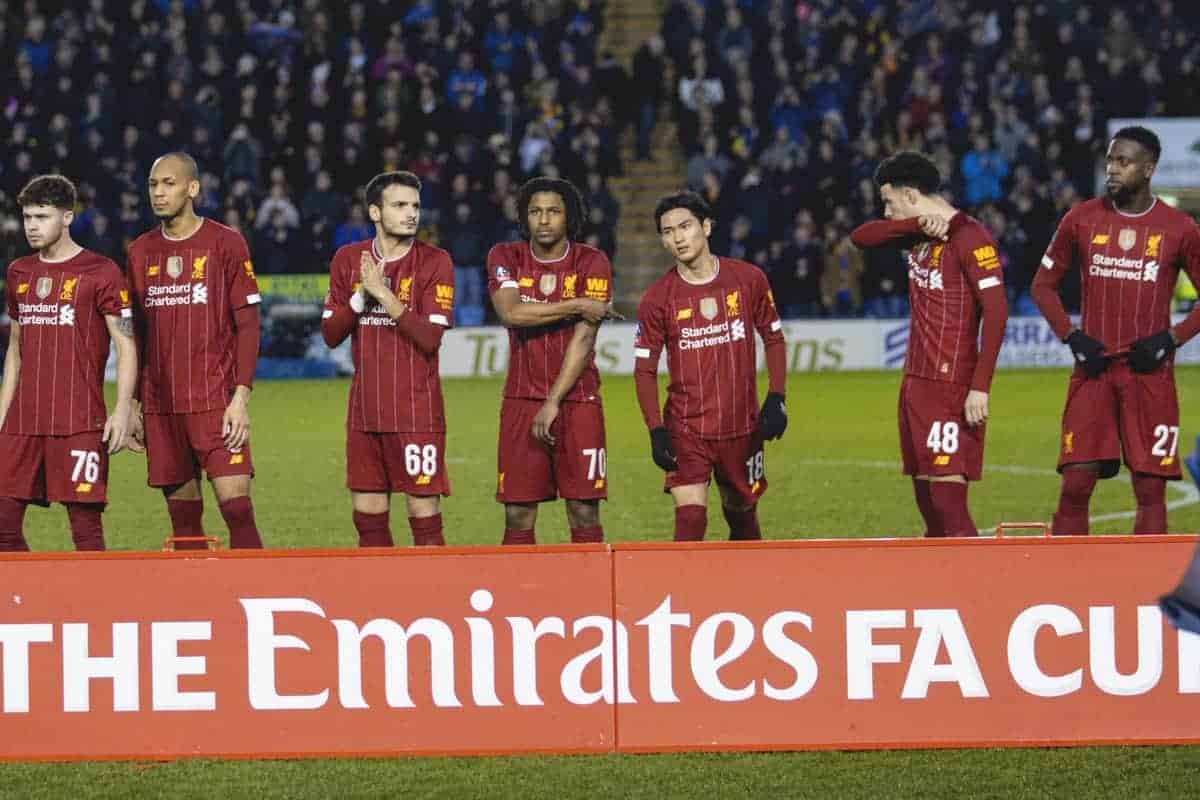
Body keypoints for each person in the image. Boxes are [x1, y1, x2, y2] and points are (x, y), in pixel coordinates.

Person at [1031, 126, 1200, 536]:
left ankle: (1144, 594)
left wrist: (1170, 338)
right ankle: (1067, 580)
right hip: (1094, 372)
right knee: (1075, 483)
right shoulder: (1081, 219)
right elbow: (1042, 286)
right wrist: (1072, 336)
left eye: (1123, 162)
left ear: (1148, 169)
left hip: (1150, 377)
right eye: (1110, 160)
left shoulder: (1179, 229)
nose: (1112, 169)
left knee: (1150, 489)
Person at [850, 151, 1009, 537]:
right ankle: (942, 588)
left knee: (947, 501)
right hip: (915, 383)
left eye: (889, 202)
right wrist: (917, 223)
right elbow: (861, 237)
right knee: (927, 499)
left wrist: (979, 388)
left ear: (909, 193)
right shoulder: (919, 234)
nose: (887, 212)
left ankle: (979, 591)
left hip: (949, 383)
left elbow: (998, 312)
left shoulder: (969, 236)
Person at [126, 152, 264, 550]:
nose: (158, 192)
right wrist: (134, 402)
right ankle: (202, 606)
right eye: (153, 185)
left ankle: (258, 595)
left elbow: (248, 325)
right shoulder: (139, 252)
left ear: (193, 189)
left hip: (215, 402)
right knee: (184, 524)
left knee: (237, 508)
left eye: (169, 183)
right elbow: (137, 335)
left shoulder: (226, 243)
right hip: (162, 407)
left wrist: (241, 397)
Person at [633, 191, 788, 542]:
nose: (677, 237)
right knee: (690, 519)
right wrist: (656, 429)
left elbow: (773, 338)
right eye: (668, 231)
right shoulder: (657, 298)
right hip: (687, 427)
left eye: (685, 226)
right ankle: (685, 596)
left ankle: (746, 591)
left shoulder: (748, 279)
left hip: (741, 425)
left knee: (742, 514)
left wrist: (777, 396)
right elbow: (644, 370)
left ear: (706, 226)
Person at [0, 174, 136, 551]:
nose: (32, 225)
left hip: (79, 420)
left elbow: (126, 343)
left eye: (42, 216)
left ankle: (97, 607)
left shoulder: (101, 271)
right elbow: (16, 348)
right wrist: (2, 415)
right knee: (3, 525)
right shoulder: (19, 272)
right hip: (23, 421)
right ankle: (29, 603)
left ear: (67, 217)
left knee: (85, 530)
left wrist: (123, 408)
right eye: (27, 217)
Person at [321, 171, 454, 547]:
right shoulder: (348, 260)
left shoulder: (435, 262)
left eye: (415, 205)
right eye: (400, 205)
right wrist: (363, 295)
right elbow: (331, 335)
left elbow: (430, 338)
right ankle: (380, 602)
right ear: (376, 212)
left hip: (417, 412)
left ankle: (434, 599)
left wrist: (385, 295)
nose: (411, 214)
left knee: (425, 521)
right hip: (365, 412)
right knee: (368, 520)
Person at [486, 177, 616, 545]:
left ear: (568, 217)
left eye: (553, 212)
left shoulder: (592, 261)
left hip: (579, 400)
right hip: (520, 399)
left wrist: (554, 401)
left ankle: (588, 596)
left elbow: (584, 338)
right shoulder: (504, 256)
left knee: (584, 507)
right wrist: (576, 305)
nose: (544, 220)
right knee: (518, 511)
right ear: (525, 218)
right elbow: (512, 313)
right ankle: (522, 598)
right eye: (535, 212)